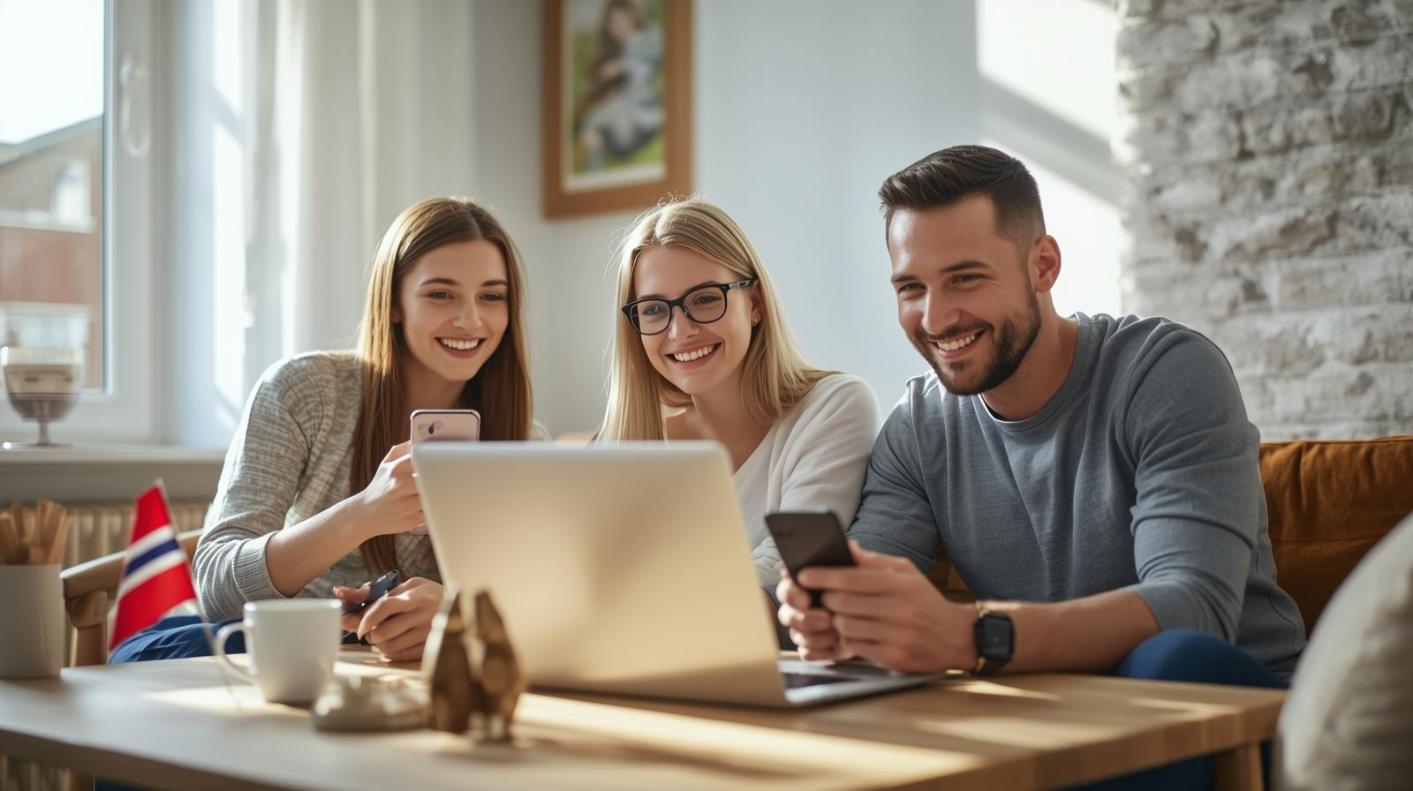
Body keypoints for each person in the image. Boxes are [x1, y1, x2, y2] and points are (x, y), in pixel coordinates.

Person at [776, 145, 1305, 787]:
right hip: (1050, 728)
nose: (937, 318)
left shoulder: (1167, 372)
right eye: (912, 288)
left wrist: (974, 637)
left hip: (1239, 722)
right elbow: (871, 578)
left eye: (966, 278)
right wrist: (835, 616)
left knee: (1174, 655)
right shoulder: (916, 429)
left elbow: (1193, 607)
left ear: (1043, 266)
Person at [178, 197, 539, 664]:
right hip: (280, 660)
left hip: (404, 679)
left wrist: (453, 610)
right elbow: (217, 591)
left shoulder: (524, 442)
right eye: (441, 294)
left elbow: (535, 605)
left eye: (492, 296)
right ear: (393, 304)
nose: (470, 320)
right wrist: (365, 513)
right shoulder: (303, 392)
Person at [598, 197, 880, 586]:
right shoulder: (625, 446)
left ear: (755, 304)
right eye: (654, 310)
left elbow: (788, 568)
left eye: (706, 299)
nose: (680, 332)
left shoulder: (834, 406)